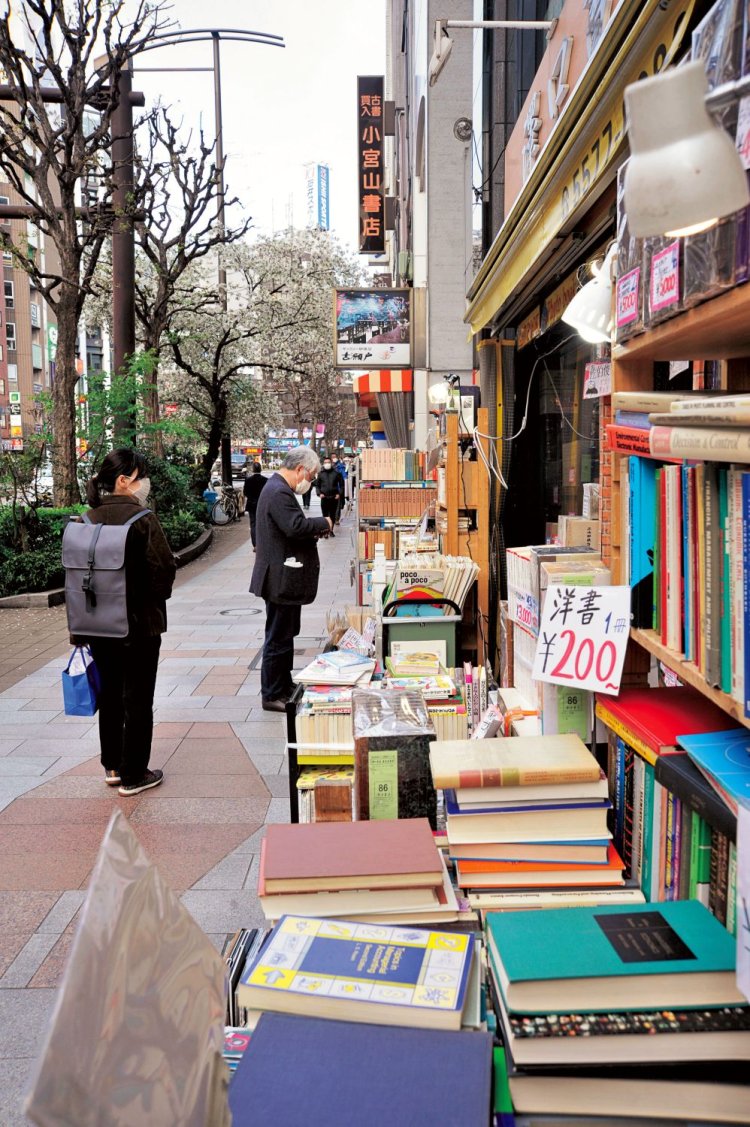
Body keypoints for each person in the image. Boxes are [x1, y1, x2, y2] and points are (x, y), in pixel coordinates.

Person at [79, 448, 176, 797]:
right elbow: (163, 571)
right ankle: (135, 774)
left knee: (111, 694)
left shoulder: (88, 519)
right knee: (137, 697)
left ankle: (114, 765)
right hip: (140, 625)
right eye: (140, 477)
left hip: (99, 624)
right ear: (124, 481)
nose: (144, 484)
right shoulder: (142, 519)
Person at [250, 447, 332, 712]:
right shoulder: (278, 491)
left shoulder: (277, 488)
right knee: (278, 637)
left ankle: (283, 686)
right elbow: (294, 526)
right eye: (312, 475)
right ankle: (272, 693)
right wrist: (324, 523)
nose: (311, 480)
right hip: (279, 577)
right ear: (300, 470)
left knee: (285, 634)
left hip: (282, 575)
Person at [314, 456, 345, 536]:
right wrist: (319, 493)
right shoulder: (320, 474)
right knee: (325, 515)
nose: (327, 464)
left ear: (331, 463)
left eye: (328, 462)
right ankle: (326, 531)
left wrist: (339, 494)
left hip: (334, 497)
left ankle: (331, 530)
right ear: (323, 464)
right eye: (325, 463)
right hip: (324, 497)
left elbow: (342, 485)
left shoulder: (336, 473)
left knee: (332, 515)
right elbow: (317, 485)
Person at [243, 462, 267, 549]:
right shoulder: (265, 480)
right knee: (262, 524)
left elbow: (245, 493)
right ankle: (262, 544)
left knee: (253, 524)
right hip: (262, 504)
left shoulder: (248, 480)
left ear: (253, 470)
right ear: (260, 469)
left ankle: (255, 545)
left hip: (251, 505)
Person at [334, 456, 348, 523]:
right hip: (328, 491)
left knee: (337, 506)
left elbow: (344, 477)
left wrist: (341, 491)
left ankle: (336, 519)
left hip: (337, 490)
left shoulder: (341, 467)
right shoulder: (324, 470)